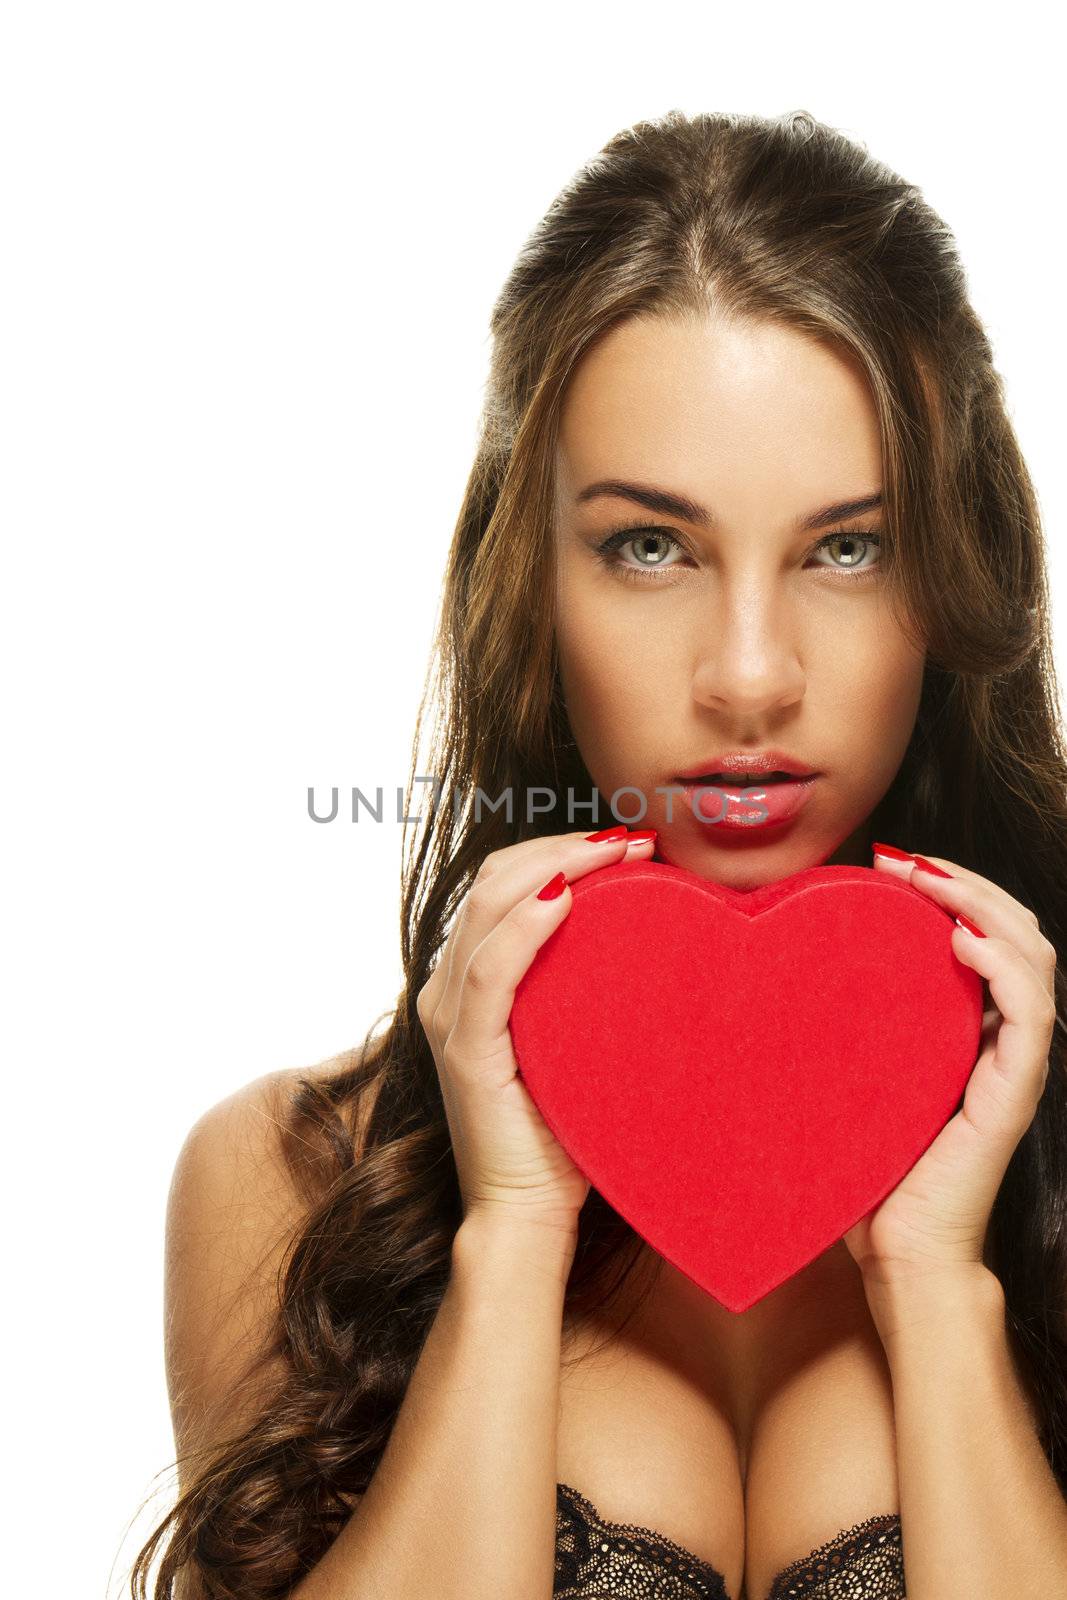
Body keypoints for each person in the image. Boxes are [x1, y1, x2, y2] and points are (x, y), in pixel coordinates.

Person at [128, 108, 1067, 1600]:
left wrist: (941, 1291)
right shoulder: (289, 1179)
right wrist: (510, 1237)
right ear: (530, 584)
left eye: (847, 546)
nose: (750, 679)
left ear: (957, 575)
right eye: (650, 546)